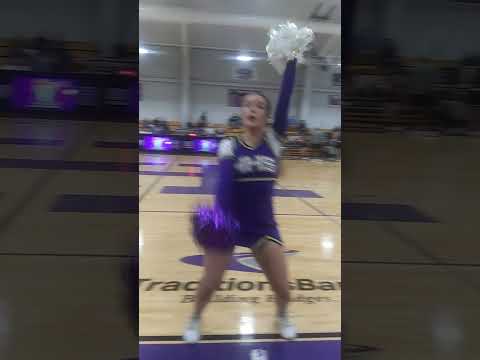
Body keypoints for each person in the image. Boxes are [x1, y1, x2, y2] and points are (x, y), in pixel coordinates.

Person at [183, 59, 298, 342]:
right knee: (211, 282)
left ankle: (282, 316)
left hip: (263, 227)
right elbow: (223, 189)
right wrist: (218, 225)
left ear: (267, 115)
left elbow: (285, 99)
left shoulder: (273, 142)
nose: (252, 109)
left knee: (283, 289)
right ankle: (195, 319)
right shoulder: (229, 146)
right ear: (241, 112)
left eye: (259, 105)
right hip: (230, 225)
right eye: (247, 105)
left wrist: (292, 61)